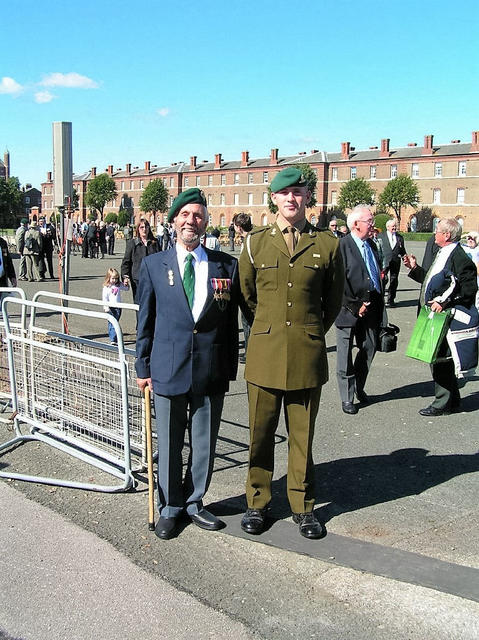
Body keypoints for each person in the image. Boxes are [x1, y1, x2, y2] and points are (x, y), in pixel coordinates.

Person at [239, 167, 344, 539]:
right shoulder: (254, 243)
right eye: (285, 193)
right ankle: (257, 501)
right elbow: (248, 298)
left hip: (306, 353)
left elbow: (332, 301)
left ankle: (303, 506)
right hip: (265, 353)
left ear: (307, 198)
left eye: (298, 192)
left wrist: (308, 331)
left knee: (302, 436)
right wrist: (269, 329)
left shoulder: (328, 245)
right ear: (274, 198)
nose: (292, 199)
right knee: (260, 433)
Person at [135, 188, 240, 540]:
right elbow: (144, 322)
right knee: (168, 442)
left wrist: (229, 368)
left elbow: (229, 323)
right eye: (185, 215)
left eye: (198, 215)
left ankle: (195, 501)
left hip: (210, 369)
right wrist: (142, 367)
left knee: (204, 442)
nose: (191, 221)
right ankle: (170, 507)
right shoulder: (152, 265)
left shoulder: (227, 265)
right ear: (174, 220)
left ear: (207, 222)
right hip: (166, 368)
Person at [403, 218, 477, 416]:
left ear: (446, 235)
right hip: (433, 316)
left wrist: (445, 303)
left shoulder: (459, 257)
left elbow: (469, 289)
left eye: (437, 231)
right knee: (439, 358)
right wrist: (415, 269)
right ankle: (452, 400)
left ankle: (441, 403)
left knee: (440, 359)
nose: (434, 234)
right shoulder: (442, 252)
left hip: (446, 318)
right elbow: (433, 282)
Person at [335, 205, 384, 415]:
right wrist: (356, 305)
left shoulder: (371, 244)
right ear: (355, 224)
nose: (373, 224)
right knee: (345, 354)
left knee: (369, 348)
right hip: (348, 308)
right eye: (369, 221)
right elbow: (339, 281)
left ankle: (359, 387)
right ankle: (347, 397)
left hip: (371, 306)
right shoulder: (342, 246)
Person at [121, 220, 159, 302]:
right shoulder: (132, 243)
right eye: (142, 227)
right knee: (140, 305)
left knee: (153, 305)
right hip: (138, 279)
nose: (144, 229)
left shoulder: (155, 242)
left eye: (146, 227)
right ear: (138, 229)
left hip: (153, 279)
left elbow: (161, 260)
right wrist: (125, 276)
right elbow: (126, 262)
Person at [233, 213, 253, 364]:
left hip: (248, 290)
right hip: (250, 288)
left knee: (247, 323)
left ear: (238, 227)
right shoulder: (252, 238)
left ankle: (250, 352)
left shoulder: (249, 241)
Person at [379, 219, 406, 307]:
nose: (394, 228)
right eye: (392, 226)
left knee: (394, 280)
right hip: (384, 261)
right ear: (387, 227)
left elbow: (402, 250)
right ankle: (380, 299)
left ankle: (391, 300)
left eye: (395, 226)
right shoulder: (381, 236)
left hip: (395, 261)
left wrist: (405, 258)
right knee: (383, 279)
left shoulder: (399, 237)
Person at [102, 267, 129, 345]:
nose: (115, 280)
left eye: (116, 278)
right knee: (112, 323)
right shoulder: (106, 287)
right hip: (110, 307)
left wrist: (126, 283)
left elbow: (126, 289)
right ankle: (113, 338)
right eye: (113, 278)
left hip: (118, 307)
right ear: (108, 278)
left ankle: (114, 337)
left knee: (115, 322)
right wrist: (105, 306)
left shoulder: (118, 285)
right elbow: (105, 298)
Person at [462, 231, 479, 308]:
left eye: (473, 239)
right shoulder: (463, 247)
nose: (470, 240)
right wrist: (466, 235)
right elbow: (455, 241)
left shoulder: (477, 249)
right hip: (466, 279)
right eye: (469, 239)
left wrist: (475, 237)